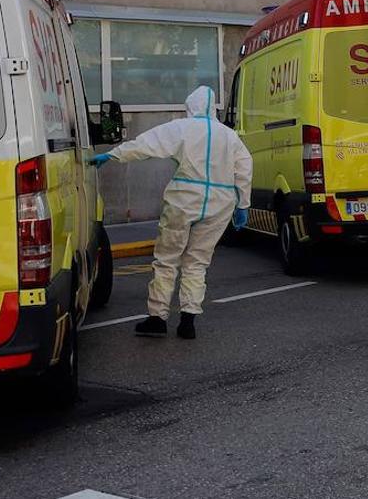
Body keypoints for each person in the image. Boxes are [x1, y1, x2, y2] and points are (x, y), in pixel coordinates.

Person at [91, 86, 251, 340]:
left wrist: (112, 155)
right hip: (220, 202)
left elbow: (146, 144)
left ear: (190, 107)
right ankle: (188, 320)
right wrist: (243, 204)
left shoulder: (181, 128)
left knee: (167, 258)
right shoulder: (230, 137)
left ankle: (157, 318)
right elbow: (244, 169)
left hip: (184, 199)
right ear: (213, 109)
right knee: (197, 262)